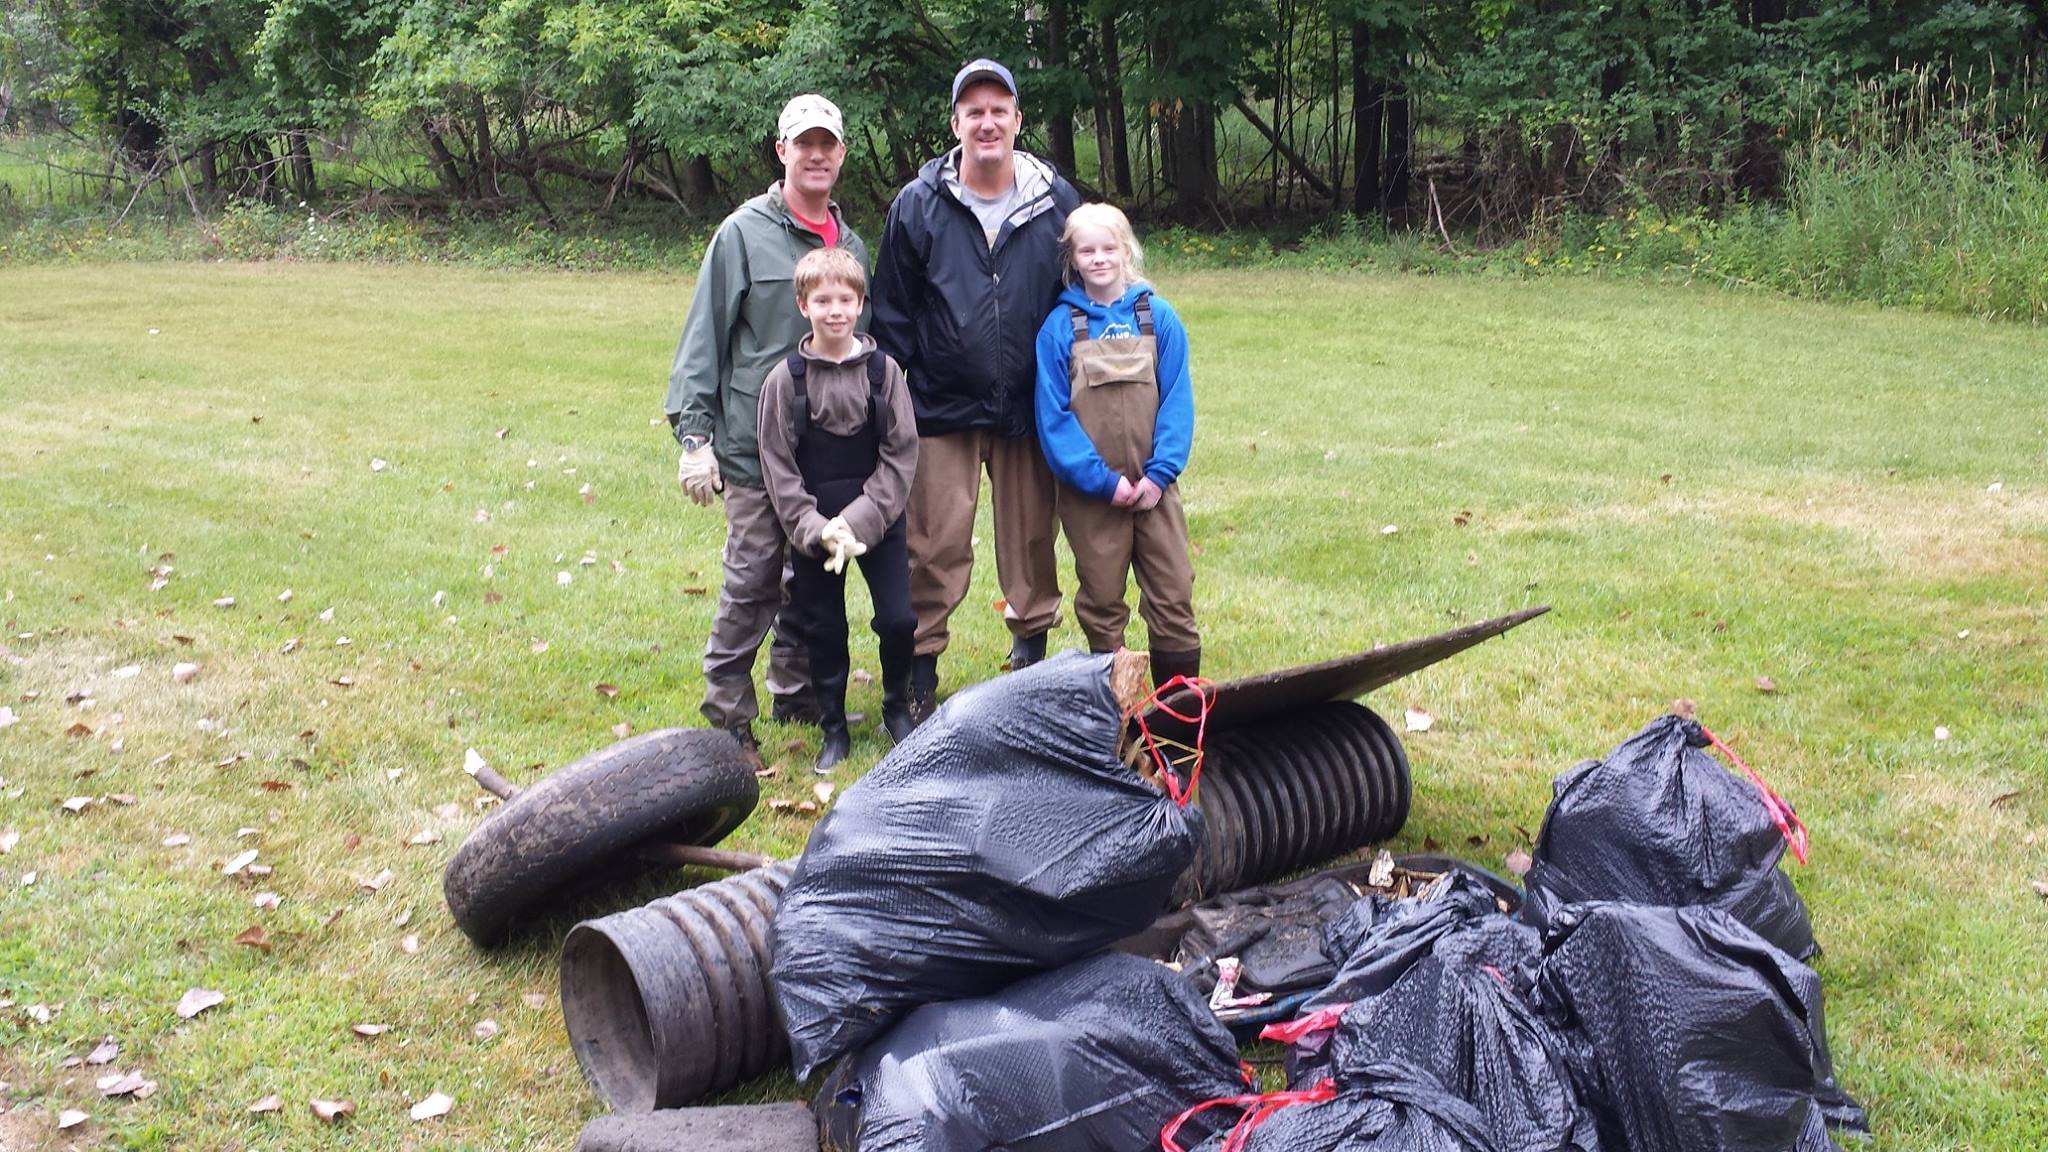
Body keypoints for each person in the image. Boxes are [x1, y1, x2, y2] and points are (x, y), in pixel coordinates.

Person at [870, 58, 1082, 723]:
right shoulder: (919, 203)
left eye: (999, 111)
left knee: (1030, 544)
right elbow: (893, 313)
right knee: (932, 546)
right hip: (941, 409)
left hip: (1028, 406)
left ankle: (1030, 664)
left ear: (1018, 121)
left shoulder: (1057, 201)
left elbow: (1080, 301)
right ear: (955, 123)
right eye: (974, 111)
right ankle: (917, 674)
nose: (986, 123)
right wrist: (893, 401)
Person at [665, 94, 867, 768]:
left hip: (826, 451)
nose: (816, 155)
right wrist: (695, 440)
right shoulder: (743, 234)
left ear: (840, 154)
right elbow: (704, 339)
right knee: (753, 581)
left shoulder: (851, 244)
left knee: (810, 579)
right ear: (781, 151)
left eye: (827, 144)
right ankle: (727, 715)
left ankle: (797, 692)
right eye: (801, 143)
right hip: (754, 450)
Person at [757, 248, 919, 773]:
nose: (835, 310)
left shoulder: (884, 372)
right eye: (822, 300)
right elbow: (778, 466)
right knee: (824, 629)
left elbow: (901, 455)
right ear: (803, 305)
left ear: (860, 303)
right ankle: (834, 728)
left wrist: (861, 522)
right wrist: (817, 528)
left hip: (877, 520)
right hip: (815, 529)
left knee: (898, 619)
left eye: (845, 300)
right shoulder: (785, 380)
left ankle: (897, 708)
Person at [1033, 202, 1201, 687]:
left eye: (1109, 248)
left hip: (1155, 491)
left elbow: (1176, 399)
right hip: (1094, 496)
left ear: (1126, 251)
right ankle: (1117, 718)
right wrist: (1103, 482)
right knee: (1102, 600)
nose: (1099, 258)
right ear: (1073, 258)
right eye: (1087, 250)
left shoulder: (1158, 317)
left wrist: (1159, 474)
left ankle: (1179, 718)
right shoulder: (1059, 328)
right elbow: (1054, 419)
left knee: (1173, 593)